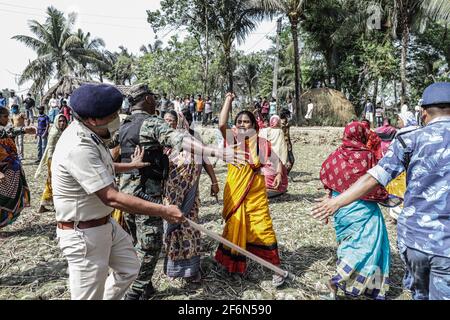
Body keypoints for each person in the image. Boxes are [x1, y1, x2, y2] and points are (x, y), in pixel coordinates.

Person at [312, 82, 450, 300]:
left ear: (423, 111)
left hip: (414, 238)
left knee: (419, 293)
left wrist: (335, 202)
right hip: (445, 243)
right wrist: (387, 199)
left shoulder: (409, 138)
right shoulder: (368, 154)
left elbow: (374, 178)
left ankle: (347, 282)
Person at [51, 83, 185, 300]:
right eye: (113, 114)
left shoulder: (93, 134)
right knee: (87, 296)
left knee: (130, 268)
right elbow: (111, 197)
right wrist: (163, 211)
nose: (118, 117)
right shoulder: (78, 146)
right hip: (83, 233)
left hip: (104, 224)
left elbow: (101, 167)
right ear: (93, 119)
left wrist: (130, 166)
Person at [116, 84, 243, 300]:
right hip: (145, 193)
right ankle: (134, 293)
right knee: (150, 246)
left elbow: (112, 153)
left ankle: (144, 286)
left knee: (137, 242)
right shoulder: (150, 122)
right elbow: (181, 141)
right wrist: (214, 151)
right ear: (147, 98)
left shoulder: (124, 125)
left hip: (125, 195)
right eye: (153, 98)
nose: (155, 101)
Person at [315, 121, 394, 300]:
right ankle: (340, 280)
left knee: (350, 245)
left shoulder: (336, 155)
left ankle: (352, 283)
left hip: (340, 207)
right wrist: (385, 198)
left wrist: (331, 195)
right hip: (363, 208)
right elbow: (373, 183)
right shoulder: (367, 156)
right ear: (362, 135)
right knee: (368, 246)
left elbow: (326, 175)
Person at [215, 93, 285, 287]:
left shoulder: (261, 143)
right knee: (234, 227)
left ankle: (275, 268)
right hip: (235, 192)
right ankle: (232, 266)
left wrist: (278, 173)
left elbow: (275, 159)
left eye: (247, 121)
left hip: (256, 195)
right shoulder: (233, 139)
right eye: (239, 121)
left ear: (254, 125)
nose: (243, 124)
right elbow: (221, 124)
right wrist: (228, 100)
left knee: (264, 229)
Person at [162, 110, 219, 282]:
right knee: (172, 230)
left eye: (171, 120)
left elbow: (206, 160)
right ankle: (174, 269)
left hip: (190, 196)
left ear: (179, 121)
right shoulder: (162, 140)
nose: (168, 123)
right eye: (165, 120)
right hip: (170, 196)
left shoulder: (193, 139)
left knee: (190, 228)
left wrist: (214, 181)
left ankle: (192, 271)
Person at [0, 108, 36, 229]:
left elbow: (8, 132)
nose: (7, 119)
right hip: (3, 173)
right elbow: (7, 132)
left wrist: (24, 130)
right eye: (5, 117)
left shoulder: (3, 131)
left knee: (9, 199)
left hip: (10, 172)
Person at [385, 111, 419, 222]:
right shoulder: (420, 132)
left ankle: (398, 216)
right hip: (413, 172)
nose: (398, 121)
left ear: (406, 121)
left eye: (400, 119)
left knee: (399, 193)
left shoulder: (403, 136)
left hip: (402, 171)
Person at [35, 114, 68, 213]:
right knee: (52, 183)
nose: (62, 123)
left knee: (55, 183)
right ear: (57, 122)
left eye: (64, 121)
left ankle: (48, 204)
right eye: (60, 121)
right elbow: (50, 149)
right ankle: (45, 204)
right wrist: (52, 163)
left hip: (62, 160)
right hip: (53, 160)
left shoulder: (65, 132)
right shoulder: (54, 133)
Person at [259, 115, 288, 198]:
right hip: (276, 161)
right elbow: (281, 148)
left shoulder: (264, 131)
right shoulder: (279, 131)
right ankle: (278, 188)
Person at [280, 109, 295, 175]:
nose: (289, 117)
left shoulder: (287, 123)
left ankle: (285, 175)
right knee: (287, 162)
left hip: (288, 144)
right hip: (282, 145)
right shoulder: (279, 123)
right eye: (288, 115)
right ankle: (284, 175)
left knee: (292, 160)